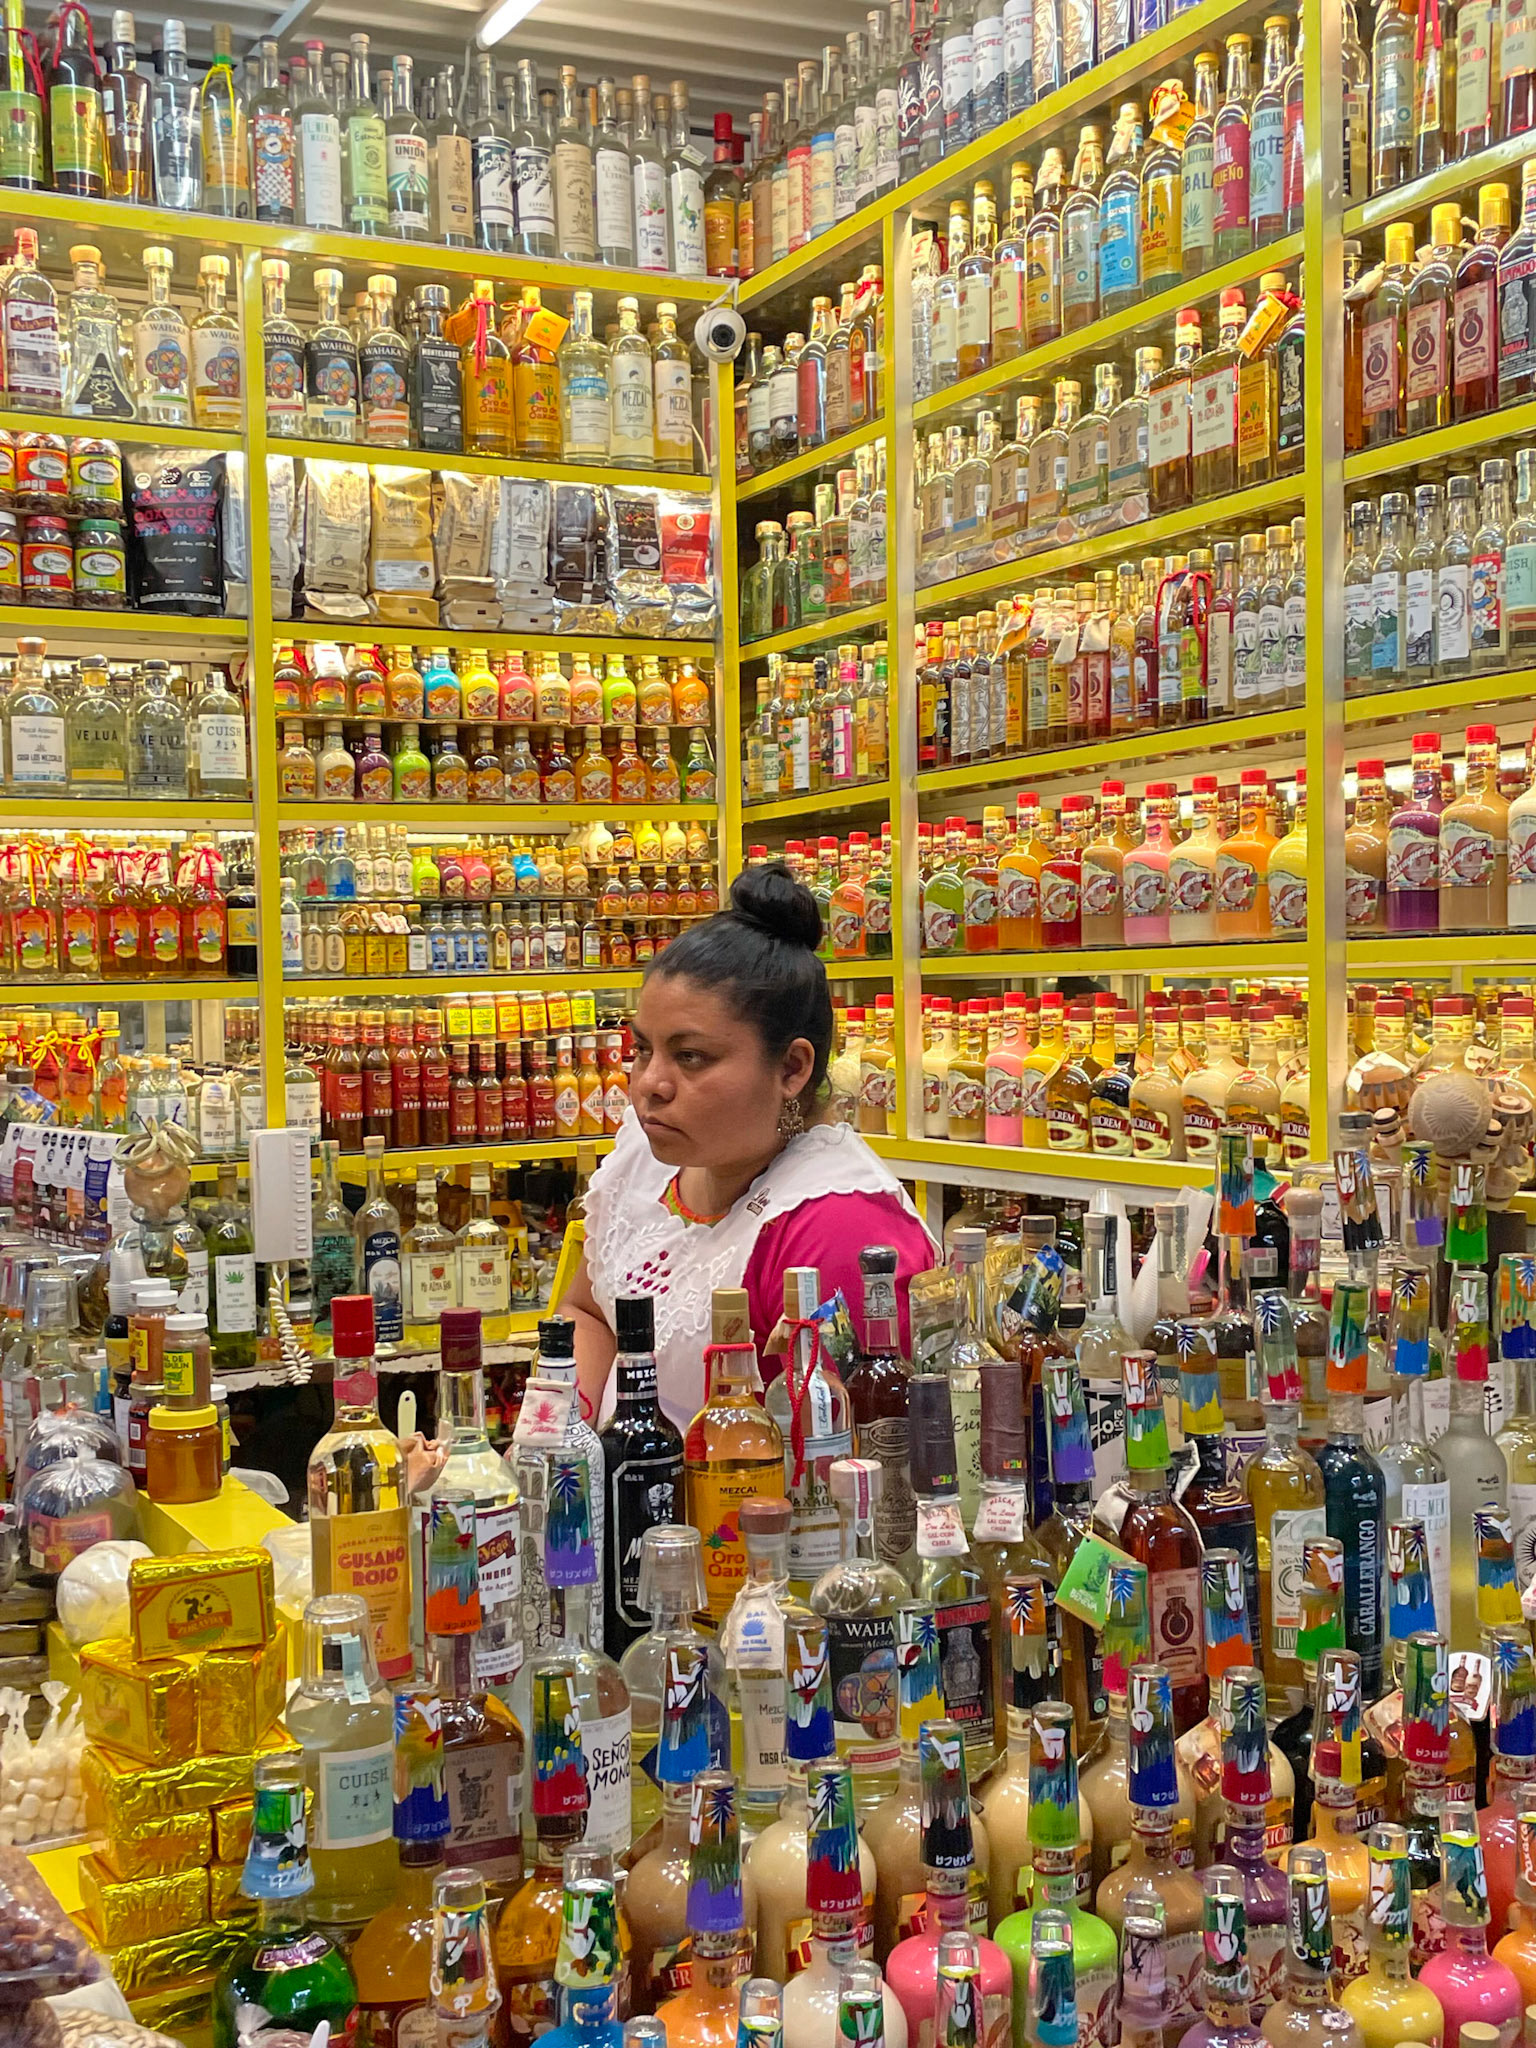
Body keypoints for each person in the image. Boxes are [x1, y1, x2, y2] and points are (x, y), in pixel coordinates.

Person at [568, 860, 936, 1432]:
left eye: (691, 1057)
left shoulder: (836, 1228)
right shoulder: (650, 1156)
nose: (649, 1084)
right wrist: (563, 1430)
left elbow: (840, 1453)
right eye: (643, 1050)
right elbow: (591, 1311)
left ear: (790, 1069)